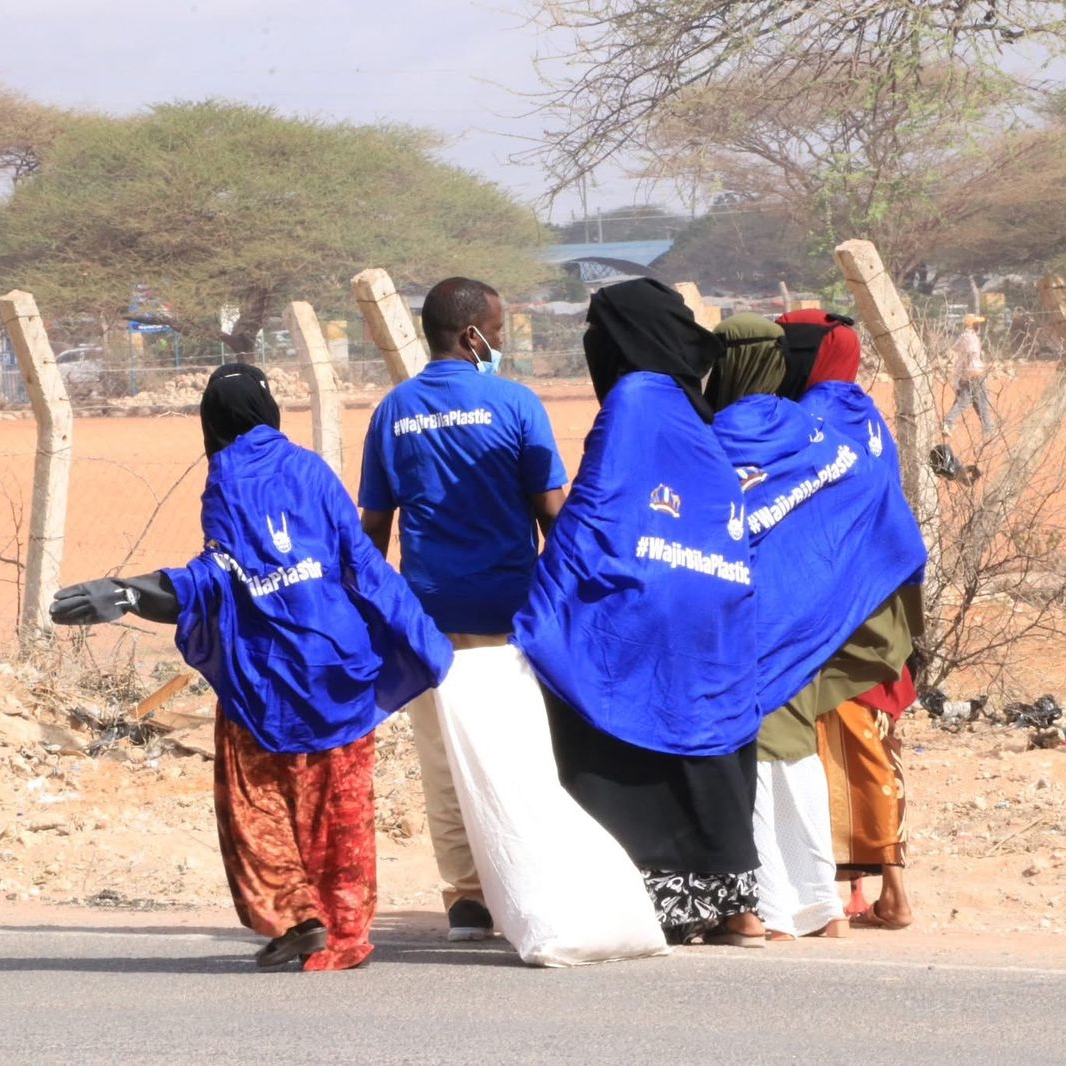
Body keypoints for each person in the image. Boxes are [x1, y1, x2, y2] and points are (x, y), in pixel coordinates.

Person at [51, 364, 454, 971]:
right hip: (341, 665)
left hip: (272, 672)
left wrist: (137, 592)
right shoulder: (311, 467)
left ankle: (297, 916)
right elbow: (362, 563)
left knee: (256, 798)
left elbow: (223, 573)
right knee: (341, 805)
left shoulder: (228, 478)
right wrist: (424, 641)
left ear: (212, 421)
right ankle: (344, 932)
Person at [513, 278, 765, 947]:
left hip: (645, 600)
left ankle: (650, 898)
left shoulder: (633, 400)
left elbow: (599, 506)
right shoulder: (694, 410)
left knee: (601, 704)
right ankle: (737, 904)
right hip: (712, 601)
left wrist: (549, 597)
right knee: (708, 734)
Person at [357, 277, 568, 942]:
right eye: (499, 331)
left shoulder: (393, 412)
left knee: (444, 760)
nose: (502, 342)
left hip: (429, 618)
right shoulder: (516, 403)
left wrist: (376, 613)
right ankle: (526, 882)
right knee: (525, 749)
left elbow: (373, 531)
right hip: (513, 612)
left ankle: (467, 901)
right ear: (474, 334)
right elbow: (551, 513)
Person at [706, 313, 927, 940]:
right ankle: (826, 902)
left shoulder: (795, 426)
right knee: (832, 753)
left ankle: (776, 906)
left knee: (785, 751)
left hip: (803, 618)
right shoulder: (852, 418)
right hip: (862, 605)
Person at [775, 308, 928, 931]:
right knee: (871, 741)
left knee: (836, 743)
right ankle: (878, 887)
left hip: (836, 603)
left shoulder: (809, 421)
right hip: (880, 594)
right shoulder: (864, 414)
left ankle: (862, 893)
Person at [942, 313, 995, 437]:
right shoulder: (971, 338)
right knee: (981, 400)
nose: (979, 326)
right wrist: (972, 369)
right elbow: (972, 353)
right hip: (974, 373)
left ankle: (948, 423)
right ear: (973, 324)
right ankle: (989, 429)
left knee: (967, 401)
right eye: (977, 323)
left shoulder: (963, 336)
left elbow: (955, 348)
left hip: (965, 374)